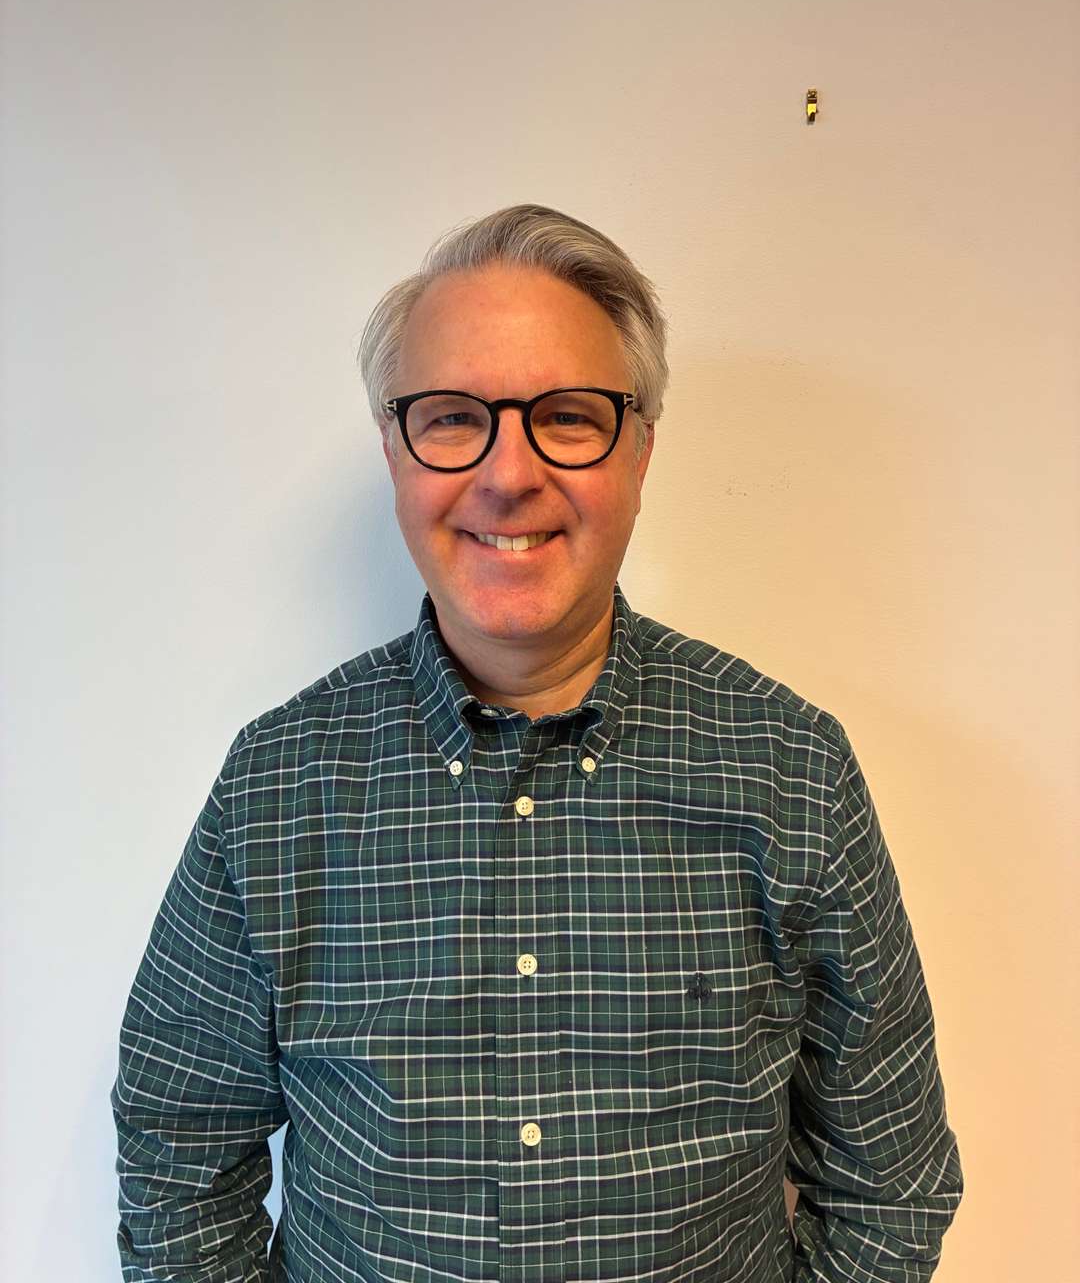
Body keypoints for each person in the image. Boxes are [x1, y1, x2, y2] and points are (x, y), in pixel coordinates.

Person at [112, 204, 963, 1281]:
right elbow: (179, 1160)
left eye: (566, 416)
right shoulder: (277, 788)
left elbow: (889, 1183)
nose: (508, 475)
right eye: (451, 418)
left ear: (641, 449)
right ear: (395, 451)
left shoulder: (790, 771)